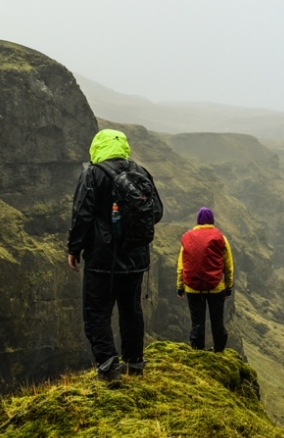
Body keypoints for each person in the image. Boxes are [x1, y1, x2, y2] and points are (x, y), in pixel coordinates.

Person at [67, 129, 163, 380]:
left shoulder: (92, 174)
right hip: (135, 259)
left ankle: (108, 368)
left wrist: (74, 248)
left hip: (102, 260)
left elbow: (82, 215)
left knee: (97, 312)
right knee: (131, 311)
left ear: (98, 147)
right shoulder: (140, 173)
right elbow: (157, 212)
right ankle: (134, 365)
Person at [177, 207, 234, 352]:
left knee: (197, 322)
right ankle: (219, 351)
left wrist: (180, 287)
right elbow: (228, 266)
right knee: (217, 321)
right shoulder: (221, 237)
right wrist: (228, 287)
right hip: (216, 288)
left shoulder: (188, 238)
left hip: (193, 288)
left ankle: (198, 351)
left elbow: (181, 265)